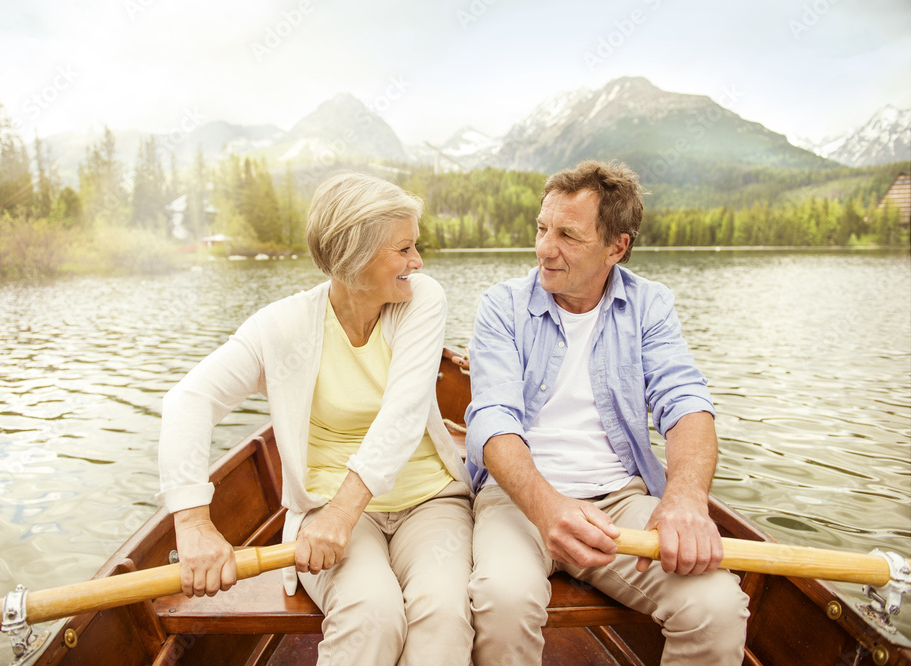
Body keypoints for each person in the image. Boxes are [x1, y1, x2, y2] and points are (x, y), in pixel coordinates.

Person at [157, 172, 474, 665]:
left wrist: (343, 516)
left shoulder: (421, 299)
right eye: (404, 249)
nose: (418, 261)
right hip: (325, 507)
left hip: (430, 503)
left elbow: (405, 412)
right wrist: (194, 523)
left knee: (445, 614)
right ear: (354, 256)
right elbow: (188, 401)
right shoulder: (281, 326)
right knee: (371, 612)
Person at [465, 160, 750, 665]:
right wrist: (549, 509)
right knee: (502, 601)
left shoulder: (650, 306)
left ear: (616, 247)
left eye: (567, 235)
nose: (543, 248)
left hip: (619, 502)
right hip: (518, 499)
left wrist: (684, 498)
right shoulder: (502, 306)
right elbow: (493, 419)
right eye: (541, 228)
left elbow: (685, 403)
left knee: (717, 607)